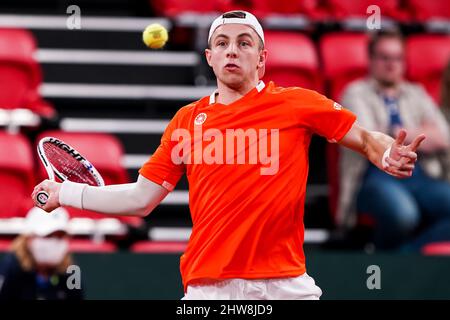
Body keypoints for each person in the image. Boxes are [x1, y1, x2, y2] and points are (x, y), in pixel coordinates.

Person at [32, 11, 424, 300]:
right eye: (222, 43)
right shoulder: (187, 121)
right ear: (209, 57)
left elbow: (364, 136)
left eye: (243, 43)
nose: (232, 51)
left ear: (262, 58)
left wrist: (387, 152)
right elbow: (140, 199)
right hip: (210, 288)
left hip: (286, 283)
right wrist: (64, 194)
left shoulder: (297, 104)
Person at [338, 30, 450, 251]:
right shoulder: (355, 93)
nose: (392, 65)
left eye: (398, 58)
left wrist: (396, 130)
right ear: (371, 59)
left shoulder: (416, 93)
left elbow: (444, 137)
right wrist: (420, 131)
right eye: (385, 58)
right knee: (404, 214)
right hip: (375, 176)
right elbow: (368, 139)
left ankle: (404, 257)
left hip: (418, 174)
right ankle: (392, 261)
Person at [0, 207, 83, 300]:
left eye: (60, 237)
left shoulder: (72, 274)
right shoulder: (11, 269)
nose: (54, 242)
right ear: (29, 239)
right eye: (48, 236)